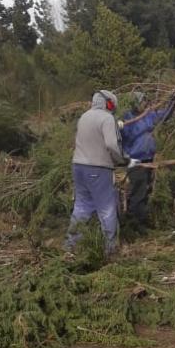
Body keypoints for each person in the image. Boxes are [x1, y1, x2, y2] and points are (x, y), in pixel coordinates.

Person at [65, 90, 129, 256]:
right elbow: (112, 145)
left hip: (78, 167)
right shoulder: (107, 118)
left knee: (81, 207)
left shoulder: (84, 117)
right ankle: (110, 249)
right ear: (109, 103)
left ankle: (71, 246)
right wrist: (122, 159)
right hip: (98, 168)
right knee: (107, 209)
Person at [120, 90, 175, 227]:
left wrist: (173, 100)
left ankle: (142, 220)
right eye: (142, 102)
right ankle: (135, 223)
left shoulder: (149, 116)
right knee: (138, 191)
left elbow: (165, 115)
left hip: (148, 159)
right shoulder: (127, 119)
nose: (145, 104)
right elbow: (118, 139)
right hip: (135, 161)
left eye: (145, 101)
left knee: (146, 190)